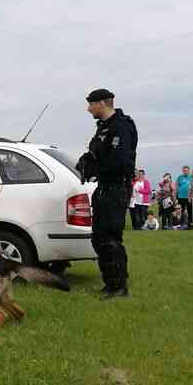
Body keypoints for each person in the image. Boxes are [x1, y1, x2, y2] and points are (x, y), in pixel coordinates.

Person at [78, 88, 138, 299]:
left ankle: (120, 287)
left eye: (91, 104)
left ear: (102, 103)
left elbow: (118, 161)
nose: (88, 109)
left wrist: (96, 168)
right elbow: (98, 153)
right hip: (104, 186)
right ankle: (110, 283)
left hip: (117, 186)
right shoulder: (103, 127)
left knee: (110, 237)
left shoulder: (121, 126)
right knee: (99, 237)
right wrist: (86, 160)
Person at [175, 165, 193, 229]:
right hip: (180, 197)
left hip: (188, 197)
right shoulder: (180, 177)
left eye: (187, 171)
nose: (186, 172)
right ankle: (181, 224)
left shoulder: (191, 177)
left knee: (190, 211)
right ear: (183, 171)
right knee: (181, 211)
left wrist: (191, 196)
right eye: (184, 171)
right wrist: (176, 197)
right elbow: (176, 186)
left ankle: (190, 225)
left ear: (189, 171)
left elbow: (192, 187)